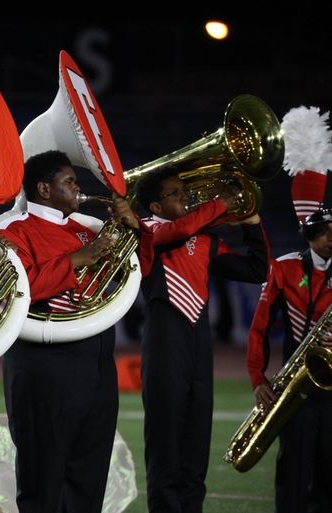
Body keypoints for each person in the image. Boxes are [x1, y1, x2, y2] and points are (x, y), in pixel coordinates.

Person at [0, 149, 142, 513]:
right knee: (43, 475)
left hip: (96, 362)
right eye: (70, 182)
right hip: (44, 364)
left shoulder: (85, 228)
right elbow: (16, 291)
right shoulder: (10, 231)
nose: (79, 189)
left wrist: (131, 226)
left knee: (89, 474)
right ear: (44, 188)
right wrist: (81, 258)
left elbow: (138, 272)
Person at [135, 166, 268, 513]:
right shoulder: (146, 230)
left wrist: (253, 225)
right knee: (166, 444)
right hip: (165, 340)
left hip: (198, 341)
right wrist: (221, 203)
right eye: (175, 193)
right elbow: (179, 230)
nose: (185, 196)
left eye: (184, 190)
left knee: (196, 443)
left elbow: (258, 271)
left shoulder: (205, 240)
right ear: (156, 206)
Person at [247, 213, 332, 512]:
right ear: (307, 235)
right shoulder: (284, 267)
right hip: (297, 389)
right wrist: (258, 378)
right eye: (323, 232)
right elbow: (259, 328)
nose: (330, 238)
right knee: (293, 471)